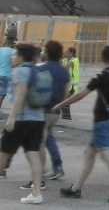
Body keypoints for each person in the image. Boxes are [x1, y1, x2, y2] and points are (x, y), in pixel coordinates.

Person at [50, 46, 109, 203]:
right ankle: (75, 189)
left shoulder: (101, 77)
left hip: (101, 122)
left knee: (105, 154)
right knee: (89, 154)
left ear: (99, 59)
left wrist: (60, 105)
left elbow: (80, 94)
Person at [0, 43, 45, 204]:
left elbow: (21, 93)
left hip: (21, 118)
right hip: (38, 119)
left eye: (14, 55)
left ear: (20, 57)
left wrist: (11, 117)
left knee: (4, 152)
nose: (12, 58)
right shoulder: (37, 71)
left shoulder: (19, 71)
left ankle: (36, 192)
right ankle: (37, 193)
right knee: (33, 154)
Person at [35, 40, 69, 182]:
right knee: (48, 137)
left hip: (42, 109)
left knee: (37, 143)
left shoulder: (41, 68)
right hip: (55, 110)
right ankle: (57, 165)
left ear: (47, 53)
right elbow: (66, 93)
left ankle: (37, 177)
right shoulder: (64, 71)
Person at [60, 48, 79, 121]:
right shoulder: (64, 60)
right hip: (66, 85)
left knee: (66, 102)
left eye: (67, 52)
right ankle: (66, 117)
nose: (65, 53)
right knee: (65, 102)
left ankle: (67, 118)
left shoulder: (75, 60)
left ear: (72, 53)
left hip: (72, 86)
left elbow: (66, 66)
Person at [0, 37, 15, 115]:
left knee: (1, 94)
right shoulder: (13, 52)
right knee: (3, 95)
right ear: (12, 42)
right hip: (7, 75)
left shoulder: (0, 50)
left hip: (0, 73)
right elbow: (13, 64)